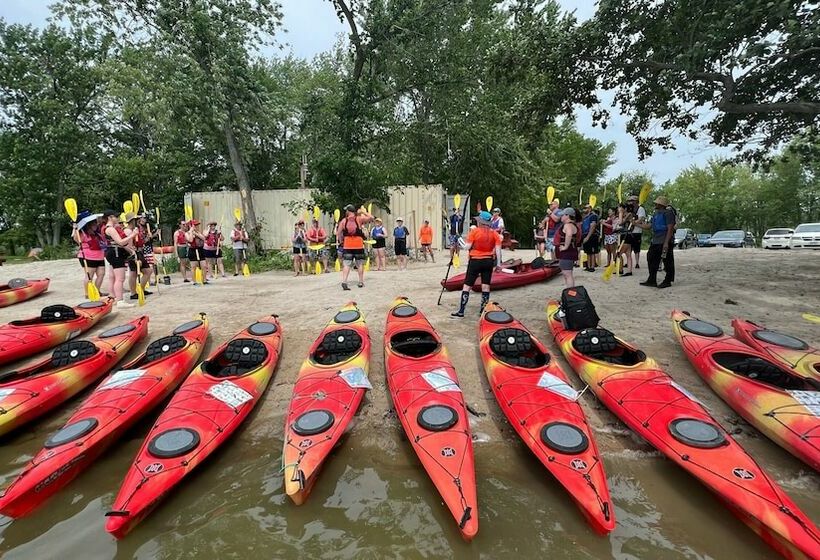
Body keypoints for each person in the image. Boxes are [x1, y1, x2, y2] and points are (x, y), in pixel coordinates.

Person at [451, 211, 503, 318]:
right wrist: (498, 264)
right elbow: (498, 251)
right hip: (488, 261)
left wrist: (459, 239)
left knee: (467, 286)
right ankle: (483, 311)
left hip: (475, 261)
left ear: (480, 222)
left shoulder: (474, 232)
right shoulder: (495, 234)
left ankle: (461, 311)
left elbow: (467, 247)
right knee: (486, 286)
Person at [102, 209, 138, 308]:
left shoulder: (108, 228)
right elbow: (121, 242)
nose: (118, 218)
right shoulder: (111, 229)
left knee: (113, 277)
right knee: (120, 278)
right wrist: (133, 235)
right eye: (116, 217)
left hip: (113, 252)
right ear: (110, 217)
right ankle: (120, 301)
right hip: (116, 253)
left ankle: (114, 297)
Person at [640, 196, 676, 288]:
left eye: (657, 203)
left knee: (667, 261)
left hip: (664, 239)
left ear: (661, 204)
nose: (655, 204)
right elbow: (649, 226)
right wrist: (635, 223)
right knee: (651, 257)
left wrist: (666, 242)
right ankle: (652, 279)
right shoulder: (656, 214)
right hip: (656, 240)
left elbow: (670, 228)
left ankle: (668, 280)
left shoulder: (668, 213)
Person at [336, 204, 373, 290]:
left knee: (347, 264)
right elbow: (371, 218)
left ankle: (344, 281)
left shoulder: (343, 221)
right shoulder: (359, 219)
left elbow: (339, 233)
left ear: (348, 211)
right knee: (359, 264)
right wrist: (363, 212)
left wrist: (341, 241)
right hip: (358, 244)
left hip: (347, 245)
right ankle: (360, 281)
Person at [72, 210, 106, 298]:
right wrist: (75, 228)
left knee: (101, 274)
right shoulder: (82, 234)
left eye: (95, 223)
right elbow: (75, 238)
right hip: (88, 257)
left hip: (100, 257)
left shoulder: (97, 233)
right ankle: (87, 293)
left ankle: (97, 291)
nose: (95, 225)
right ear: (88, 225)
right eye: (93, 224)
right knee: (89, 276)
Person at [123, 214, 150, 300]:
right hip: (133, 254)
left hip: (139, 252)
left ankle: (141, 289)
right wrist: (134, 255)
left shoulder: (135, 230)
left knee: (147, 271)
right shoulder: (128, 231)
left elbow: (140, 242)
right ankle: (133, 293)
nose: (137, 221)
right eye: (136, 220)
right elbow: (129, 245)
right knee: (133, 273)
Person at [554, 208, 581, 288]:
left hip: (567, 253)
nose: (561, 217)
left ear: (567, 216)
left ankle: (570, 292)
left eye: (562, 215)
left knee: (567, 274)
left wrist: (565, 247)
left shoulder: (568, 225)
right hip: (569, 252)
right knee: (567, 274)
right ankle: (569, 291)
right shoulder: (573, 225)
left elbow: (569, 234)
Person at [626, 194, 646, 270]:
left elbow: (641, 218)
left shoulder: (640, 209)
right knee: (628, 247)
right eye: (629, 201)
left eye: (632, 201)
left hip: (637, 231)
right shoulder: (629, 209)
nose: (630, 202)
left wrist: (634, 223)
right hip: (629, 231)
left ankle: (637, 262)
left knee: (636, 248)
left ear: (636, 201)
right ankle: (629, 261)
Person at [137, 215, 157, 288]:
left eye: (145, 219)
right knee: (148, 264)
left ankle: (155, 278)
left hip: (148, 246)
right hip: (143, 248)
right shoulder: (138, 228)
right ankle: (148, 281)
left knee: (153, 263)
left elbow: (149, 238)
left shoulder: (146, 227)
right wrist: (149, 237)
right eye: (143, 218)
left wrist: (154, 234)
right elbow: (143, 241)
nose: (144, 220)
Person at [186, 219, 207, 285]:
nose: (197, 226)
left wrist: (196, 234)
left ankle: (204, 280)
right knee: (193, 266)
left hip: (200, 249)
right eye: (195, 225)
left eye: (197, 225)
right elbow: (190, 240)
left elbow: (204, 238)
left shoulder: (198, 232)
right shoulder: (187, 233)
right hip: (193, 250)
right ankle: (194, 281)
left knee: (204, 266)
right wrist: (191, 232)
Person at [581, 204, 600, 271]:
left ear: (589, 209)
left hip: (592, 235)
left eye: (585, 208)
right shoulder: (585, 217)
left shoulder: (593, 216)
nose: (584, 209)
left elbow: (593, 226)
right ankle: (588, 266)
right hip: (585, 234)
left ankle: (592, 266)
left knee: (592, 252)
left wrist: (588, 237)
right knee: (588, 252)